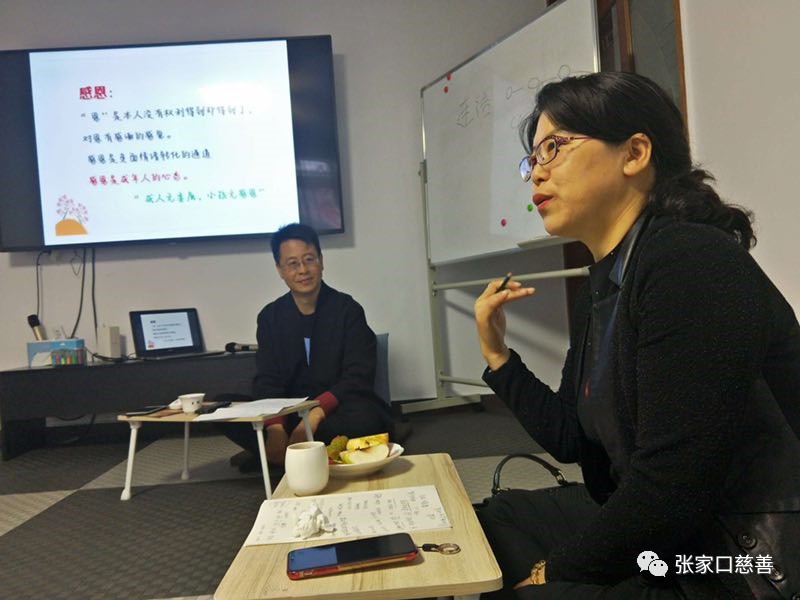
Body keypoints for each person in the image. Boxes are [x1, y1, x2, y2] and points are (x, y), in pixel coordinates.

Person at [473, 72, 800, 599]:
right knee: (494, 521)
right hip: (669, 529)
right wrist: (498, 354)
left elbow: (674, 486)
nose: (538, 172)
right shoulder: (605, 284)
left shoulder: (689, 261)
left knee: (532, 589)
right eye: (532, 159)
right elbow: (570, 437)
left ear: (634, 153)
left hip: (735, 559)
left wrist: (552, 571)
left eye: (553, 147)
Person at [220, 223, 393, 471]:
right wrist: (275, 427)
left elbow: (358, 376)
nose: (302, 270)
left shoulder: (347, 310)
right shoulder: (270, 317)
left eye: (309, 260)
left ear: (321, 261)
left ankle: (282, 456)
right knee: (222, 408)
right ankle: (293, 449)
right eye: (292, 263)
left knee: (366, 420)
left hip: (336, 411)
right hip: (289, 414)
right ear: (280, 270)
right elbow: (267, 379)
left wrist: (315, 414)